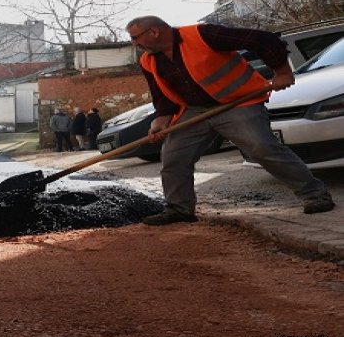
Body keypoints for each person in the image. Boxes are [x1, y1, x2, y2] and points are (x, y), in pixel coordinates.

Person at [126, 15, 334, 225]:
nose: (135, 44)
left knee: (261, 147)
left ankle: (314, 194)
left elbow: (263, 39)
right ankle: (179, 209)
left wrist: (281, 71)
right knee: (173, 157)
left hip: (237, 103)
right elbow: (161, 94)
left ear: (154, 32)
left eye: (136, 38)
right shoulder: (148, 61)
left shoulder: (202, 35)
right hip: (196, 111)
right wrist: (161, 119)